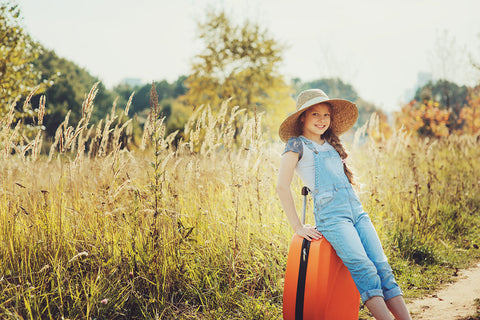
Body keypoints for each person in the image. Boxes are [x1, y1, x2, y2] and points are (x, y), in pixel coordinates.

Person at [277, 89, 411, 320]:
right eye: (315, 114)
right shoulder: (296, 144)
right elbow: (282, 186)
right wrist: (298, 227)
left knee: (382, 268)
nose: (322, 120)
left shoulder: (331, 144)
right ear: (303, 118)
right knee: (364, 269)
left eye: (326, 115)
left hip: (357, 211)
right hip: (332, 217)